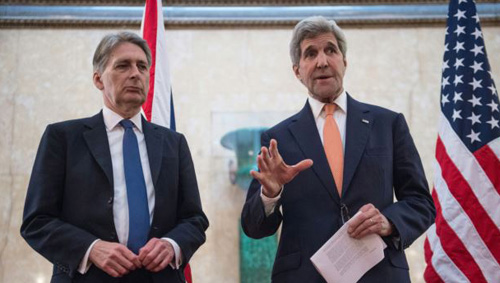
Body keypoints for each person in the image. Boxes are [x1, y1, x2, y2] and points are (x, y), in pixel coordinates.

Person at [241, 16, 435, 282]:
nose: (322, 61)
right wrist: (271, 194)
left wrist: (389, 222)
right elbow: (254, 227)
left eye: (330, 50)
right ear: (297, 70)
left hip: (379, 273)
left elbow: (421, 203)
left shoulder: (388, 124)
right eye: (311, 53)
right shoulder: (278, 139)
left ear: (344, 61)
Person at [21, 32, 208, 283]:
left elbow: (194, 219)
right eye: (123, 65)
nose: (135, 73)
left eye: (142, 66)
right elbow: (37, 221)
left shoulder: (173, 143)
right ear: (98, 79)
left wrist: (172, 244)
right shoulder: (63, 138)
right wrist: (91, 248)